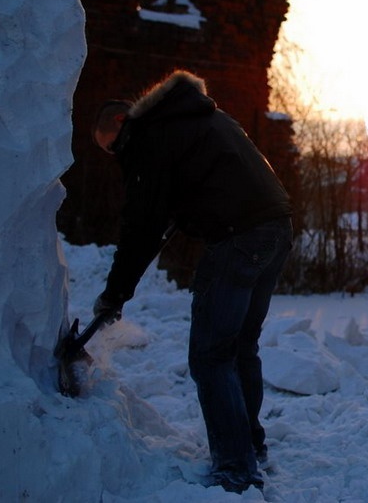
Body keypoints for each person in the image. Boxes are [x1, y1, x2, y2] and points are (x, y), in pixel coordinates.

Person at [91, 69, 293, 493]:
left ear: (122, 124)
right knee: (239, 347)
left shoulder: (148, 138)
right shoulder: (198, 118)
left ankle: (236, 467)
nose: (118, 157)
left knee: (210, 355)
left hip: (239, 237)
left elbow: (141, 227)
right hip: (276, 229)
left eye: (113, 149)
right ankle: (249, 448)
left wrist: (114, 295)